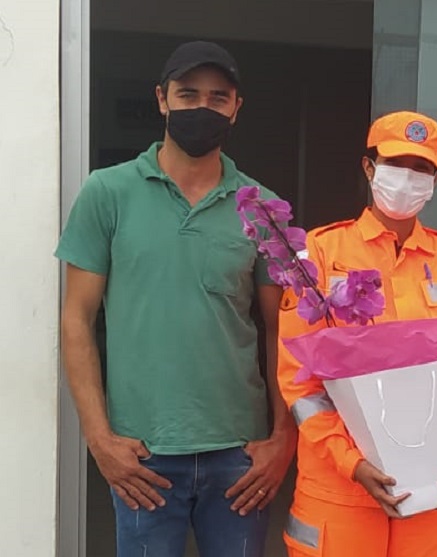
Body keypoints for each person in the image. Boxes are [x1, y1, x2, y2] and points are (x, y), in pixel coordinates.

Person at [57, 41, 296, 557]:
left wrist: (283, 438)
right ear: (162, 99)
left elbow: (284, 330)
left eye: (217, 97)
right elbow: (76, 319)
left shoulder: (264, 209)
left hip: (239, 455)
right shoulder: (107, 193)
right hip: (142, 453)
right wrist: (100, 439)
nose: (202, 108)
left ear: (236, 108)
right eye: (188, 94)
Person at [276, 111, 437, 556]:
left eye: (422, 169)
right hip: (340, 492)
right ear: (369, 167)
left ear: (436, 180)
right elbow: (301, 385)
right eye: (396, 164)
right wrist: (352, 462)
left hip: (435, 486)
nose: (408, 179)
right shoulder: (319, 252)